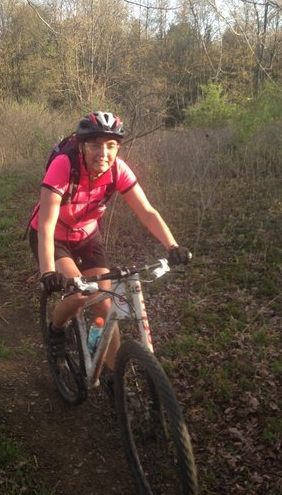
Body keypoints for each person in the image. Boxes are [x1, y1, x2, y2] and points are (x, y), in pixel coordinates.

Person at [29, 111, 190, 375]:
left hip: (88, 235)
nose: (103, 153)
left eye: (111, 145)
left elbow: (147, 212)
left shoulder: (118, 170)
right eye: (95, 144)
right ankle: (56, 332)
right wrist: (48, 271)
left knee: (105, 302)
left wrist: (172, 246)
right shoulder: (63, 165)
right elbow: (46, 223)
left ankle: (115, 378)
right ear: (82, 146)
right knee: (81, 294)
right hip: (53, 237)